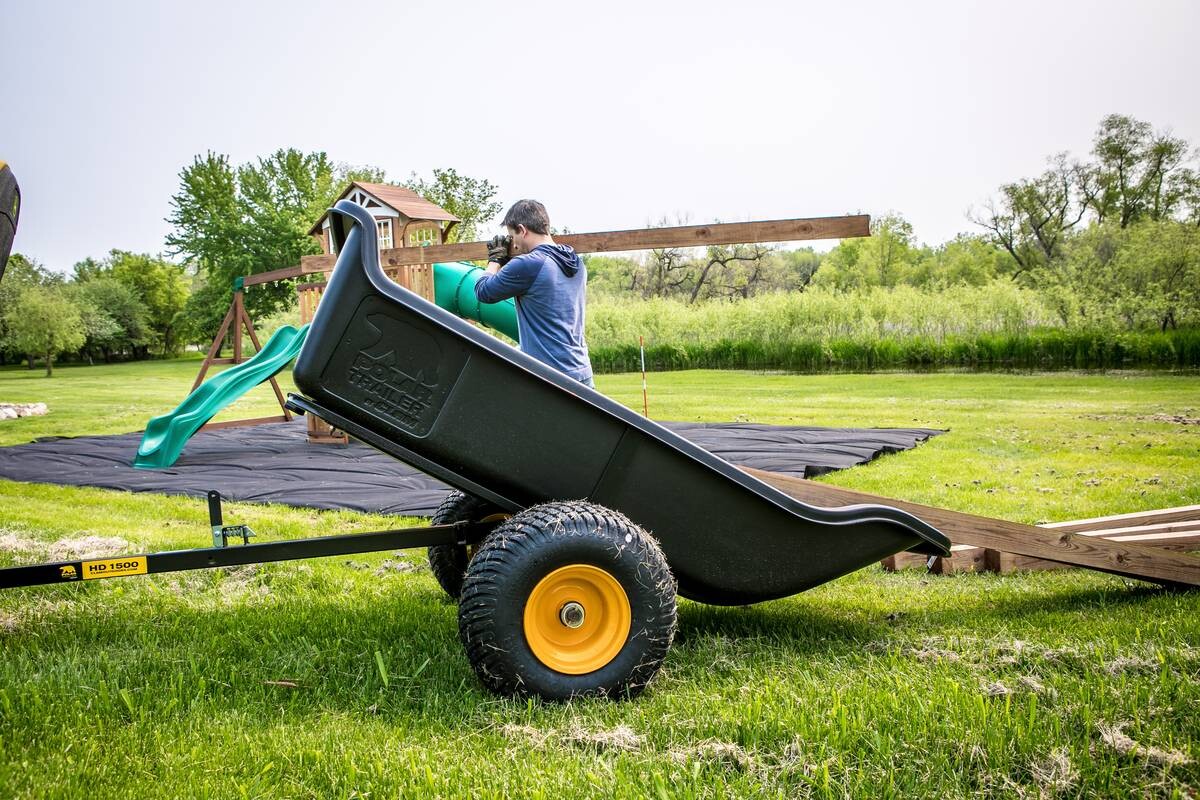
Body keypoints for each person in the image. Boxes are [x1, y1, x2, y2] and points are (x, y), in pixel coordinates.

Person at [475, 199, 594, 387]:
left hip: (551, 378)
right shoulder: (575, 261)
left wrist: (495, 260)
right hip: (581, 371)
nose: (513, 245)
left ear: (522, 230)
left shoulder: (529, 264)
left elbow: (483, 291)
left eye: (512, 236)